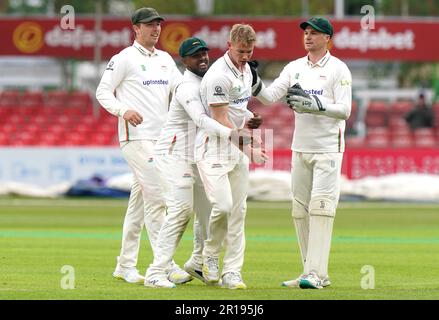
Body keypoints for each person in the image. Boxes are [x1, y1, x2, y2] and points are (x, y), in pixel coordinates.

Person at [143, 37, 261, 288]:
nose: (203, 58)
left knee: (209, 214)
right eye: (196, 55)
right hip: (174, 154)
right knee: (181, 210)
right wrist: (233, 135)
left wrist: (249, 117)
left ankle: (198, 261)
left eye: (205, 53)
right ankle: (156, 271)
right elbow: (202, 119)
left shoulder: (211, 80)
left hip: (199, 155)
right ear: (184, 61)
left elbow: (226, 111)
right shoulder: (186, 86)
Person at [251, 17, 352, 289]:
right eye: (306, 32)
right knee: (299, 210)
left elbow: (344, 110)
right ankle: (310, 270)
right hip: (300, 147)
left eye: (315, 33)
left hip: (328, 148)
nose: (308, 36)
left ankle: (316, 274)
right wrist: (251, 79)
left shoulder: (338, 69)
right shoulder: (294, 67)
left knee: (321, 208)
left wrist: (317, 105)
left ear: (327, 38)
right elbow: (270, 97)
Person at [95, 7, 190, 285]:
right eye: (149, 25)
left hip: (161, 141)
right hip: (135, 139)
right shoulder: (123, 58)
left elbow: (181, 90)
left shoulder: (165, 59)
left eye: (158, 24)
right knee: (157, 197)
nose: (156, 29)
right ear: (135, 28)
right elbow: (102, 91)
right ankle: (164, 267)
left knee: (138, 205)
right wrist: (123, 110)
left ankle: (125, 265)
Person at [195, 24, 268, 290]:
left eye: (249, 51)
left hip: (236, 147)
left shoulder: (247, 69)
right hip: (214, 147)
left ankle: (233, 271)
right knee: (223, 206)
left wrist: (251, 118)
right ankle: (210, 255)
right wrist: (250, 148)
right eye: (240, 51)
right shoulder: (218, 76)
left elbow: (239, 109)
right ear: (229, 45)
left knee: (239, 212)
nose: (245, 56)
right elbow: (222, 120)